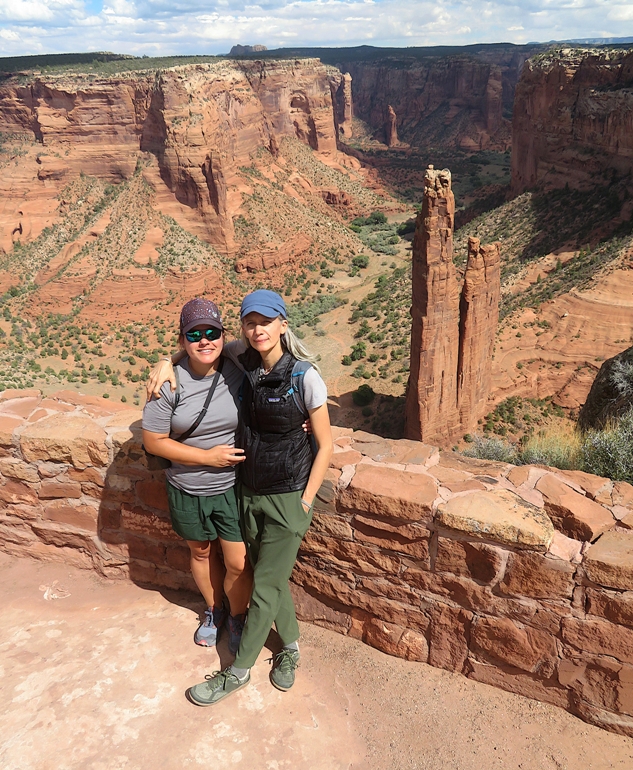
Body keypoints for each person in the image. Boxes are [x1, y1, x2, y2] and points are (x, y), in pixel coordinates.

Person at [147, 289, 333, 705]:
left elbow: (326, 445)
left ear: (283, 324)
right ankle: (290, 647)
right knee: (269, 576)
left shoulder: (305, 376)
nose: (258, 329)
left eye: (266, 321)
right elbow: (199, 349)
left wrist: (305, 502)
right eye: (250, 322)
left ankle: (238, 670)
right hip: (248, 492)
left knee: (264, 585)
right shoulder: (242, 359)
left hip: (289, 496)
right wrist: (165, 361)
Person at [142, 298, 252, 654]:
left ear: (223, 335)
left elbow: (276, 352)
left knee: (237, 561)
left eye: (212, 333)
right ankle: (215, 611)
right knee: (201, 552)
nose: (204, 341)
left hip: (232, 487)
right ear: (183, 339)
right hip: (186, 487)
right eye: (194, 335)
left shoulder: (236, 362)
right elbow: (154, 441)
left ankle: (238, 615)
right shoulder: (169, 383)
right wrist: (206, 457)